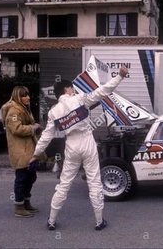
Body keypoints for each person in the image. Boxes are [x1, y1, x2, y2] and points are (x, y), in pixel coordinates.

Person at [31, 65, 128, 231]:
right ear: (67, 89)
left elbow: (46, 136)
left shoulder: (54, 112)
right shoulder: (81, 99)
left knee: (64, 184)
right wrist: (119, 76)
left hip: (71, 146)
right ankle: (99, 221)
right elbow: (103, 91)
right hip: (87, 141)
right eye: (72, 88)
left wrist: (36, 154)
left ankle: (51, 221)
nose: (74, 90)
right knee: (95, 182)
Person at [1, 86, 43, 218]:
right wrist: (33, 127)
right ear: (18, 97)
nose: (28, 97)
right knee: (22, 178)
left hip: (27, 149)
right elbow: (16, 129)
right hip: (20, 151)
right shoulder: (14, 110)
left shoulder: (23, 108)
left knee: (31, 176)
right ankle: (19, 206)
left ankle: (26, 202)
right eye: (24, 95)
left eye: (28, 95)